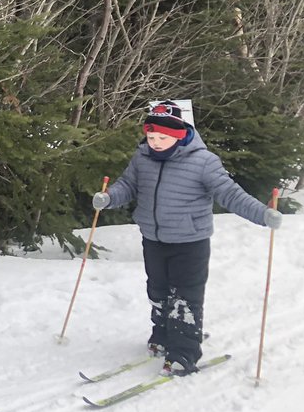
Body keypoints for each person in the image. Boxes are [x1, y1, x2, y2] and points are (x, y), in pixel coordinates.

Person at [93, 99, 282, 375]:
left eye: (162, 137)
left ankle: (184, 352)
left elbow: (230, 194)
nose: (155, 142)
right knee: (157, 291)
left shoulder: (203, 162)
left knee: (184, 297)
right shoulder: (142, 157)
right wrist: (108, 198)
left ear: (179, 135)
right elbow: (128, 186)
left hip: (189, 242)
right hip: (153, 238)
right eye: (151, 136)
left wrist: (263, 214)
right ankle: (163, 336)